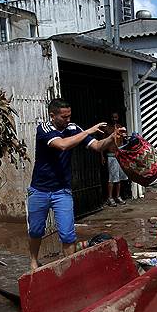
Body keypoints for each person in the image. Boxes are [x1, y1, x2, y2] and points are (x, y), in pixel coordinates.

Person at [27, 98, 126, 270]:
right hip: (39, 190)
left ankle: (71, 270)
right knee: (36, 230)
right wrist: (89, 130)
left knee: (67, 233)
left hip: (62, 190)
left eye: (69, 116)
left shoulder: (73, 128)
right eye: (63, 117)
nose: (67, 120)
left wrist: (112, 137)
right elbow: (63, 145)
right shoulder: (44, 128)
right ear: (53, 116)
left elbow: (97, 146)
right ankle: (34, 261)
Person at [102, 111, 128, 207]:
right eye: (113, 117)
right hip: (111, 155)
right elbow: (102, 143)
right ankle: (110, 198)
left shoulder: (120, 127)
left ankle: (117, 196)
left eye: (116, 117)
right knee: (112, 178)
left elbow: (124, 141)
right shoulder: (107, 128)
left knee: (119, 178)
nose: (114, 119)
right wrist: (102, 156)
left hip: (119, 154)